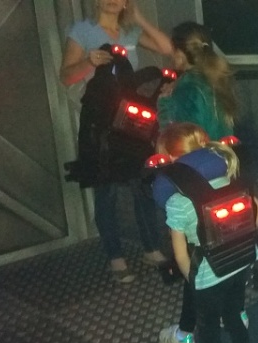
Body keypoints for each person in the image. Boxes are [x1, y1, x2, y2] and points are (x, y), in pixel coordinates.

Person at [156, 122, 258, 343]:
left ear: (173, 160)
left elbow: (180, 254)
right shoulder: (230, 179)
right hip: (241, 259)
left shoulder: (177, 201)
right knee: (233, 314)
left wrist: (193, 281)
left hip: (208, 275)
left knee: (208, 333)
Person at [59, 0, 174, 283]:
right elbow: (66, 77)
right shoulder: (82, 30)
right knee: (106, 188)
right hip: (99, 123)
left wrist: (140, 18)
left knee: (142, 184)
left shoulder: (129, 31)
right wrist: (88, 62)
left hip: (131, 121)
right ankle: (115, 256)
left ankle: (151, 248)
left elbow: (166, 48)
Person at [153, 21, 248, 343]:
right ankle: (235, 313)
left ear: (181, 53)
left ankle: (185, 334)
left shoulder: (184, 87)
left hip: (195, 180)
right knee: (227, 246)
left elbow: (176, 138)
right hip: (225, 172)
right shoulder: (216, 79)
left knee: (196, 256)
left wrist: (164, 103)